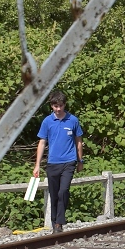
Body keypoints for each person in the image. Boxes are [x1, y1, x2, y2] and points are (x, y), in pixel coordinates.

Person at [33, 90, 84, 233]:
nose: (58, 109)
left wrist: (80, 161)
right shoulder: (47, 121)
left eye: (60, 106)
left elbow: (79, 141)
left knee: (64, 191)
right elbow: (42, 142)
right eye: (55, 106)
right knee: (54, 193)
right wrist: (37, 165)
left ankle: (59, 223)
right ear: (51, 106)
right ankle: (54, 221)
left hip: (69, 161)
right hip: (52, 162)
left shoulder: (73, 120)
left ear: (64, 105)